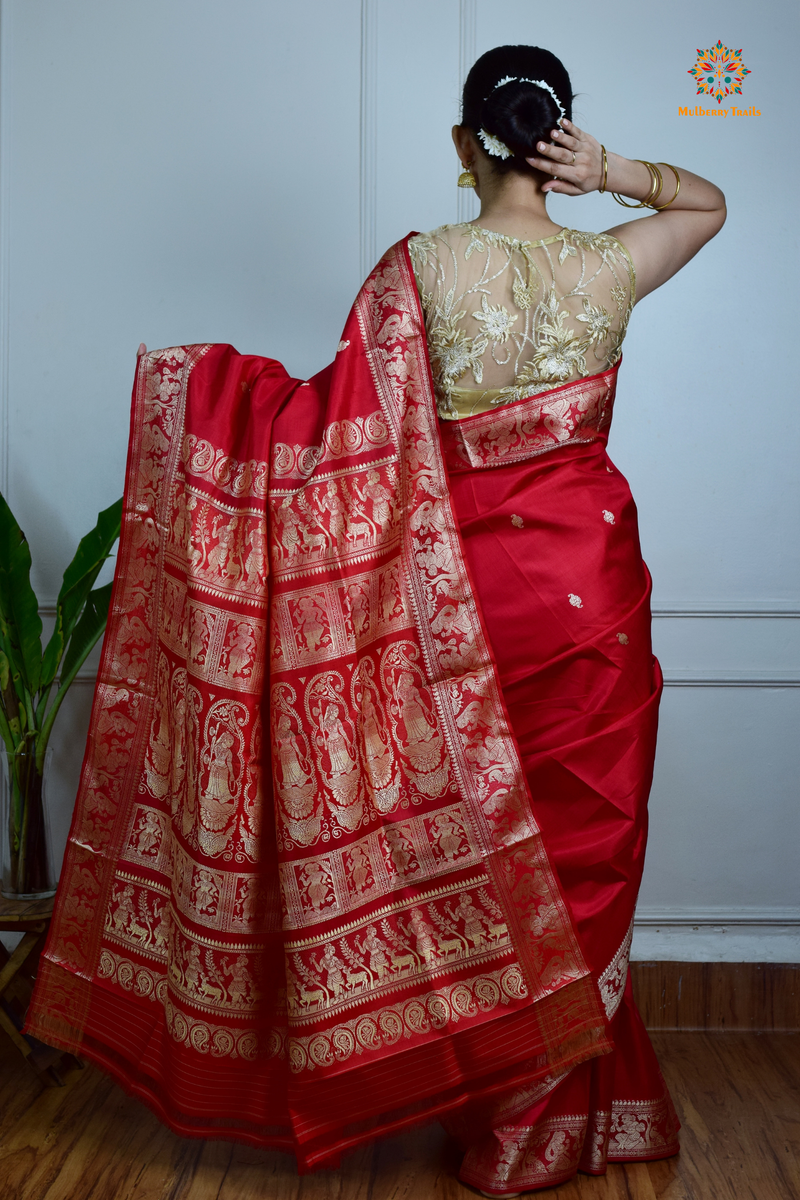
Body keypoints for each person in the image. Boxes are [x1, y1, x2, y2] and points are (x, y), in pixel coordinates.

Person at [25, 43, 725, 1197]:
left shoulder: (421, 270)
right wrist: (615, 171)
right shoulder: (613, 264)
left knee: (467, 854)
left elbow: (328, 426)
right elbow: (705, 203)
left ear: (465, 146)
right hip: (589, 596)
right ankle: (546, 1124)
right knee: (579, 855)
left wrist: (209, 393)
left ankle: (488, 1099)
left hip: (453, 610)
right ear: (554, 138)